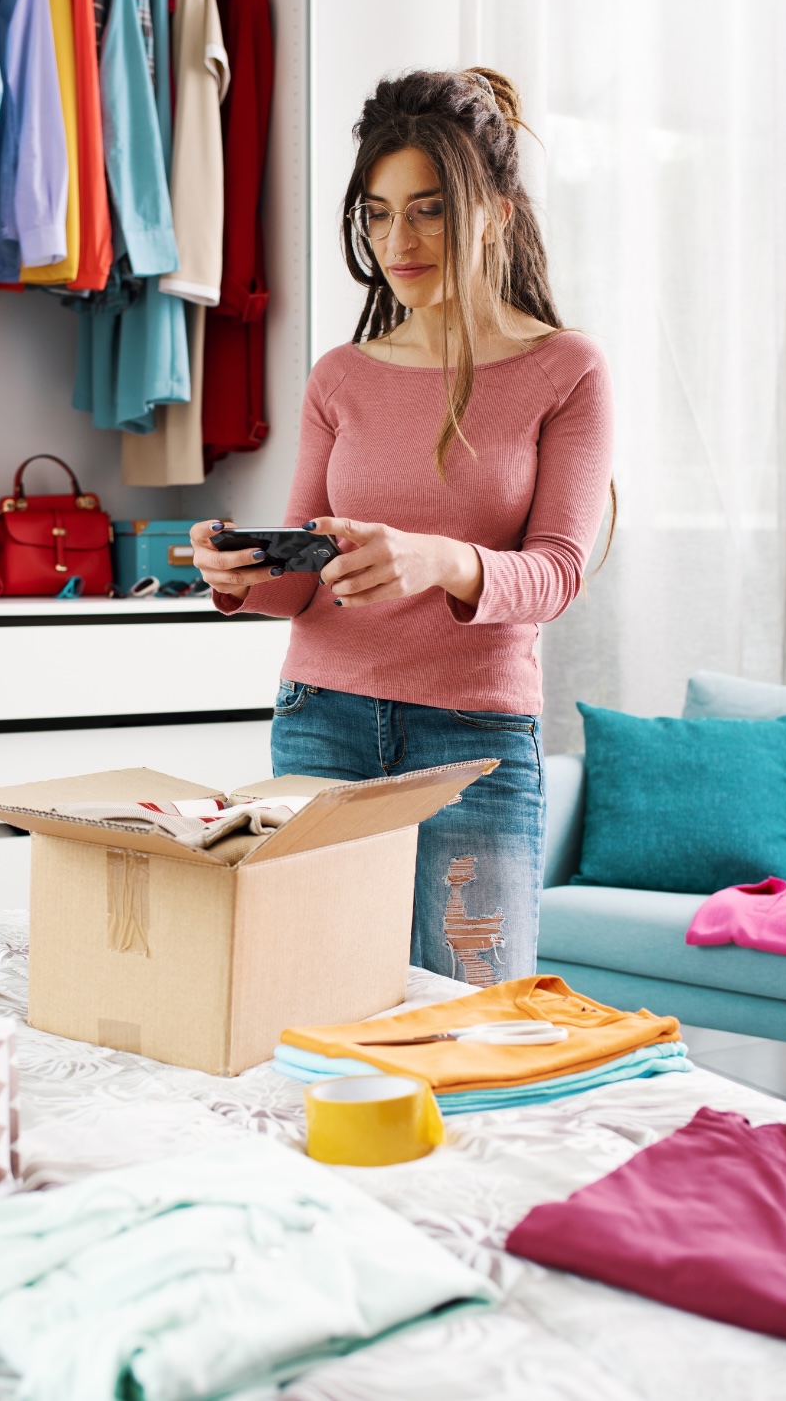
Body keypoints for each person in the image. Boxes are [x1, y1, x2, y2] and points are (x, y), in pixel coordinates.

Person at [189, 67, 615, 988]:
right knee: (319, 995)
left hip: (475, 741)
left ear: (497, 212)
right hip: (321, 723)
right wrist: (238, 574)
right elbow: (303, 583)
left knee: (477, 1011)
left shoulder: (566, 370)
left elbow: (560, 571)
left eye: (426, 210)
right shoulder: (341, 374)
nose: (397, 240)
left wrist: (439, 561)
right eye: (377, 215)